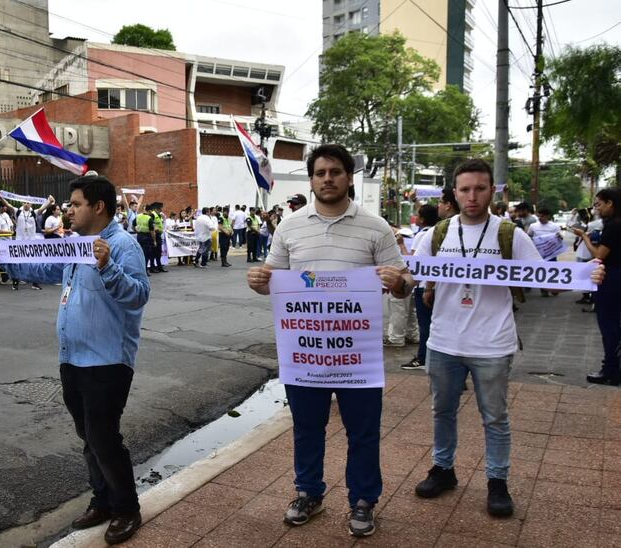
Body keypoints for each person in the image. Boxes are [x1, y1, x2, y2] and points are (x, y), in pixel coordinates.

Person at [412, 159, 604, 517]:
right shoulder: (435, 234)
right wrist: (392, 278)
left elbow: (542, 276)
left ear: (492, 191)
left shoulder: (509, 234)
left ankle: (497, 481)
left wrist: (585, 275)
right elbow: (414, 277)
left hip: (493, 343)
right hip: (443, 341)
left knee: (495, 416)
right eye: (465, 189)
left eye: (480, 188)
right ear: (455, 192)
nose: (472, 196)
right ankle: (443, 469)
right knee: (442, 411)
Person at [247, 144, 413, 538]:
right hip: (304, 353)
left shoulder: (375, 227)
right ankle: (308, 492)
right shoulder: (289, 227)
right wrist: (258, 281)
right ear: (311, 179)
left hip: (357, 356)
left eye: (335, 171)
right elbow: (274, 279)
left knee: (363, 430)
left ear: (348, 176)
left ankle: (363, 499)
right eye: (320, 172)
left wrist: (399, 284)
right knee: (307, 426)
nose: (327, 179)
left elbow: (406, 283)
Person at [0, 175, 149, 544]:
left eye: (75, 204)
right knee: (88, 437)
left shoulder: (123, 246)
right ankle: (103, 500)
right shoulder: (75, 245)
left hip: (107, 360)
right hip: (72, 358)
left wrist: (108, 266)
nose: (68, 210)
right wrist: (8, 260)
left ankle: (127, 508)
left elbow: (138, 296)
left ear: (98, 207)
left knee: (103, 436)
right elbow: (46, 270)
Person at [572, 188, 621, 385]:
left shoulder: (614, 225)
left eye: (599, 204)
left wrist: (584, 237)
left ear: (610, 203)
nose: (596, 209)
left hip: (610, 278)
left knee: (609, 325)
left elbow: (599, 256)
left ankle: (610, 369)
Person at [400, 203, 439, 370]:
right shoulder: (438, 231)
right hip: (433, 285)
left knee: (425, 325)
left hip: (423, 286)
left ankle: (423, 357)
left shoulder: (423, 235)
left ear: (422, 219)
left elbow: (413, 263)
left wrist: (401, 244)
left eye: (417, 215)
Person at [134, 205, 156, 276]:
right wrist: (154, 240)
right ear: (149, 211)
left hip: (139, 236)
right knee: (146, 255)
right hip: (147, 237)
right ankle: (145, 270)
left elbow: (132, 225)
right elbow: (152, 231)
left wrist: (137, 231)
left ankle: (141, 270)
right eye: (151, 211)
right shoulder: (149, 218)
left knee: (140, 254)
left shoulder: (138, 216)